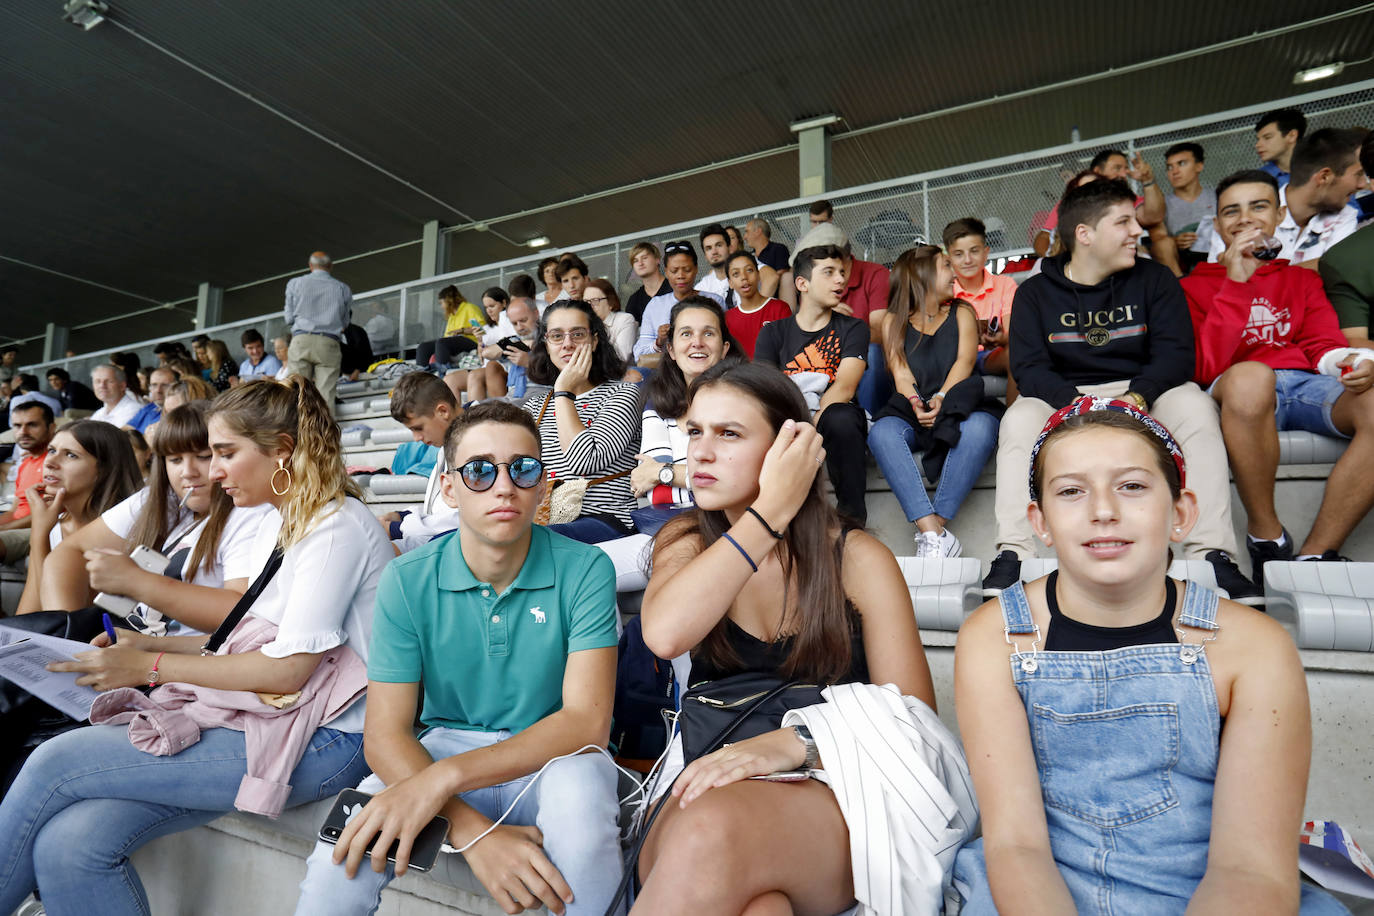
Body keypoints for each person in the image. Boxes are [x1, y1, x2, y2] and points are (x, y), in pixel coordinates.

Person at [0, 376, 391, 916]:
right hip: (278, 721)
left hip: (328, 740)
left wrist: (150, 665)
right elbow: (254, 637)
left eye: (226, 453)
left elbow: (286, 672)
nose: (215, 470)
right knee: (72, 844)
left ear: (282, 451)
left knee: (54, 760)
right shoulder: (297, 518)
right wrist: (151, 645)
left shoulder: (334, 525)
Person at [951, 398, 1345, 915]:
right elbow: (1017, 846)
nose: (1103, 510)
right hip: (1040, 888)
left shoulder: (1254, 647)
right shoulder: (992, 637)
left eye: (1132, 485)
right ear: (1040, 523)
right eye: (1071, 491)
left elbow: (1248, 867)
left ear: (1181, 513)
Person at [632, 360, 938, 915]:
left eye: (729, 434)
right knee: (762, 909)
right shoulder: (686, 541)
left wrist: (793, 744)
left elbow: (914, 717)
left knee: (712, 832)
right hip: (704, 774)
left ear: (788, 449)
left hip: (827, 786)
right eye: (694, 431)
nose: (700, 452)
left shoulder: (856, 557)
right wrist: (767, 513)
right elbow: (665, 635)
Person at [293, 401, 623, 915]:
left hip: (554, 757)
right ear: (448, 487)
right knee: (342, 857)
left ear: (544, 484)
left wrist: (441, 782)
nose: (504, 486)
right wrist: (475, 834)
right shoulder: (407, 578)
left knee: (582, 817)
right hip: (442, 749)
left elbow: (585, 723)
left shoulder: (586, 569)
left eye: (523, 468)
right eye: (480, 471)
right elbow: (385, 735)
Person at [985, 178, 1255, 601]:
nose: (1137, 231)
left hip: (1144, 390)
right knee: (1019, 416)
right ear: (1085, 234)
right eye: (1124, 222)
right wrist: (1076, 404)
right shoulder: (1035, 293)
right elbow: (1029, 368)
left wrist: (1136, 398)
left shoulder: (1156, 279)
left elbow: (1175, 356)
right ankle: (1014, 554)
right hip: (1066, 395)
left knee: (1193, 403)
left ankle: (1213, 556)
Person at [1183, 169, 1374, 579]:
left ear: (1279, 214)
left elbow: (1321, 345)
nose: (1245, 219)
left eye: (1259, 206)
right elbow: (1206, 366)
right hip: (1238, 389)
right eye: (1231, 211)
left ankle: (1315, 555)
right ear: (1217, 224)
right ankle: (1267, 537)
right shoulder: (1194, 286)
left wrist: (1351, 363)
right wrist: (1236, 282)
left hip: (1304, 384)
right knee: (1251, 378)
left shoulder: (1299, 278)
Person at [34, 401, 271, 624]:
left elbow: (242, 613)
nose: (187, 472)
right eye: (175, 459)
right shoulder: (165, 498)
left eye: (203, 457)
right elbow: (67, 554)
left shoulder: (249, 513)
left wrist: (137, 582)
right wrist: (68, 636)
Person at [869, 245, 1001, 558]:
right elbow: (900, 373)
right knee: (881, 433)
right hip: (912, 405)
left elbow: (965, 362)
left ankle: (935, 532)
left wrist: (941, 397)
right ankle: (934, 532)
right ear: (921, 274)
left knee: (981, 427)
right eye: (945, 265)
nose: (954, 272)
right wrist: (916, 401)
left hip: (957, 402)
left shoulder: (963, 311)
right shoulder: (892, 321)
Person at [754, 244, 871, 525]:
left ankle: (851, 522)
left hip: (830, 416)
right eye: (829, 273)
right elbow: (767, 392)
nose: (841, 280)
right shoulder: (773, 333)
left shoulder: (853, 328)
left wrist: (811, 425)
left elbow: (845, 385)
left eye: (842, 272)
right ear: (802, 283)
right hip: (787, 419)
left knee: (841, 416)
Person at [524, 300, 641, 543]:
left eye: (577, 334)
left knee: (532, 541)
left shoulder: (623, 394)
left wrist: (564, 393)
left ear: (595, 341)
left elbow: (583, 462)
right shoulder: (534, 406)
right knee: (451, 540)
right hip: (542, 517)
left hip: (605, 517)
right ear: (546, 345)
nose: (567, 344)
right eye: (557, 336)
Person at [632, 297, 744, 532]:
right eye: (686, 334)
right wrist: (689, 478)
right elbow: (660, 494)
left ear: (724, 348)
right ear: (671, 349)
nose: (697, 343)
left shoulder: (746, 401)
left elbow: (738, 480)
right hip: (670, 527)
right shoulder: (658, 405)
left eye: (708, 333)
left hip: (736, 526)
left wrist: (663, 472)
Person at [15, 419, 144, 613]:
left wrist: (39, 534)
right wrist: (40, 532)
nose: (50, 462)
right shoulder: (54, 524)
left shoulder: (122, 530)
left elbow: (60, 620)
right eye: (51, 450)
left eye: (70, 455)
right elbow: (28, 617)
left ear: (103, 470)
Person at [1209, 127, 1368, 269]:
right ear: (1324, 177)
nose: (1363, 185)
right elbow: (1219, 277)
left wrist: (1263, 273)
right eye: (1359, 174)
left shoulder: (1346, 215)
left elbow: (1339, 269)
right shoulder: (1238, 217)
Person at [377, 372, 463, 552]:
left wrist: (395, 529)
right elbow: (439, 510)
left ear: (443, 411)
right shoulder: (448, 444)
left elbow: (460, 520)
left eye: (418, 428)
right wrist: (401, 516)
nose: (416, 438)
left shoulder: (477, 445)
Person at [945, 217, 1018, 398]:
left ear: (986, 253)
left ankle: (1011, 420)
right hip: (953, 358)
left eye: (974, 251)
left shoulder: (1005, 284)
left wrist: (1001, 339)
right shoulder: (945, 290)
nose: (967, 260)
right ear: (948, 258)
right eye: (959, 254)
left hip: (990, 356)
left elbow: (1013, 334)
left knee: (1017, 352)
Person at [632, 241, 725, 367]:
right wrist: (659, 342)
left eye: (687, 270)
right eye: (674, 271)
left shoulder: (714, 301)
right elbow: (639, 353)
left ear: (696, 269)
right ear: (666, 272)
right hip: (667, 374)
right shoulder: (655, 305)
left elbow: (725, 342)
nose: (680, 276)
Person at [285, 250, 352, 410]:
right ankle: (323, 434)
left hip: (301, 339)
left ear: (310, 265)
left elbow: (288, 318)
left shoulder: (295, 283)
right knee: (325, 395)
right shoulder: (342, 288)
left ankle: (294, 432)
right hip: (328, 342)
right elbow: (345, 322)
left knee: (296, 392)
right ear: (330, 266)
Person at [0, 401, 56, 565]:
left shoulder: (55, 462)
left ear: (51, 428)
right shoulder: (26, 463)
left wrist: (4, 529)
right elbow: (14, 511)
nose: (23, 432)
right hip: (18, 526)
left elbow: (51, 513)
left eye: (32, 425)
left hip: (40, 528)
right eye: (17, 426)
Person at [723, 251, 791, 359]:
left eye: (749, 270)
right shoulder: (727, 319)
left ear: (759, 275)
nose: (744, 277)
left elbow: (789, 349)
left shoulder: (779, 308)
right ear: (730, 283)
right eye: (736, 274)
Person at [1162, 142, 1216, 274]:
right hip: (1183, 268)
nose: (1174, 172)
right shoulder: (1162, 205)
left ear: (1199, 166)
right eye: (1169, 167)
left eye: (1181, 164)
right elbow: (1156, 244)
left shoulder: (1218, 197)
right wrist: (1175, 242)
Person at [474, 296, 539, 402]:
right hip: (513, 397)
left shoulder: (550, 338)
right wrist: (521, 345)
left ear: (536, 314)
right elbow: (486, 353)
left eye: (523, 320)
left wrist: (529, 361)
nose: (519, 327)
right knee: (471, 407)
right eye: (514, 323)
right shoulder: (515, 341)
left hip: (538, 395)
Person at [415, 285, 484, 379]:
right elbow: (446, 337)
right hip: (453, 344)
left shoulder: (469, 308)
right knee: (424, 347)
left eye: (441, 303)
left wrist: (462, 330)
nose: (441, 306)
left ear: (449, 300)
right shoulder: (452, 316)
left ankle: (442, 376)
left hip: (472, 342)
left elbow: (482, 329)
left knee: (442, 342)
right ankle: (420, 378)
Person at [462, 286, 512, 403]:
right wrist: (480, 341)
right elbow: (481, 358)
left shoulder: (511, 323)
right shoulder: (486, 328)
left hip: (504, 366)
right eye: (486, 307)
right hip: (486, 366)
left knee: (476, 375)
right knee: (451, 379)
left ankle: (475, 416)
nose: (488, 310)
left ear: (504, 303)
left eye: (492, 306)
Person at [583, 278, 638, 365]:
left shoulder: (624, 320)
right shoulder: (583, 324)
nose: (590, 306)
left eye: (595, 301)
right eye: (586, 302)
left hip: (618, 375)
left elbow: (622, 356)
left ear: (610, 302)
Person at [1256, 107, 1308, 187]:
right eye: (1258, 139)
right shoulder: (1258, 180)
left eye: (1267, 137)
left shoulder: (1319, 168)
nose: (1257, 145)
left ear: (1292, 136)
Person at [623, 242, 669, 324]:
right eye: (635, 261)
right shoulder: (634, 300)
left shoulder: (674, 288)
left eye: (644, 258)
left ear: (657, 260)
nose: (640, 263)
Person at [125, 367, 174, 434]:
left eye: (165, 385)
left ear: (176, 387)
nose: (158, 390)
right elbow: (125, 429)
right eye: (154, 385)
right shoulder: (151, 407)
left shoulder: (176, 414)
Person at [693, 224, 734, 304]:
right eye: (709, 248)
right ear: (705, 254)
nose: (714, 252)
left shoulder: (746, 276)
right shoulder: (702, 288)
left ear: (730, 247)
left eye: (719, 245)